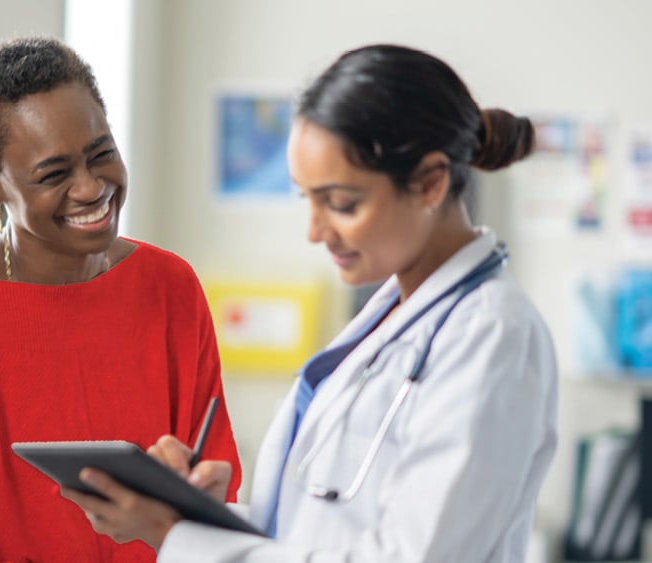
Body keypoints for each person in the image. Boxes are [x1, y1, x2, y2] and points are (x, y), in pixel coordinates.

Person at [62, 44, 558, 562]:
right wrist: (200, 518)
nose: (316, 231)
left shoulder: (493, 335)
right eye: (308, 199)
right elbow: (320, 529)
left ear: (431, 183)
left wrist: (180, 538)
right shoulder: (394, 316)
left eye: (341, 203)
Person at [0, 36, 242, 562]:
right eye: (54, 174)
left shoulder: (171, 287)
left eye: (102, 155)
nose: (92, 188)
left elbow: (216, 480)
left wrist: (202, 494)